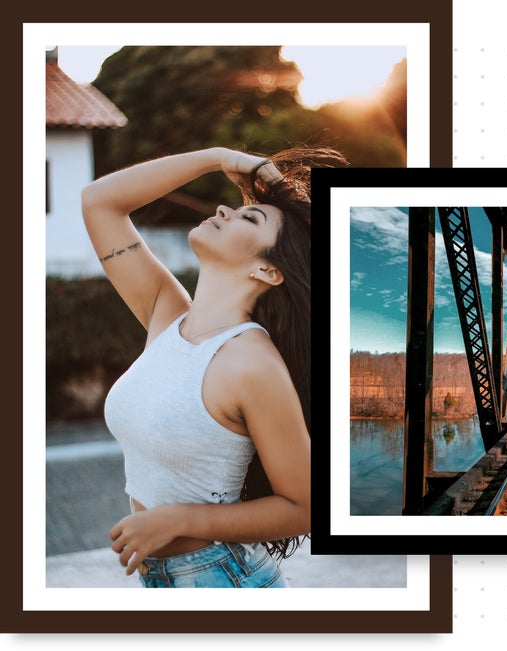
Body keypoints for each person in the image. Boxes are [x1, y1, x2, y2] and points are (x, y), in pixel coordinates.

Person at [81, 145, 345, 587]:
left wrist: (178, 520)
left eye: (251, 218)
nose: (225, 208)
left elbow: (307, 508)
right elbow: (99, 202)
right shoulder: (167, 315)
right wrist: (217, 156)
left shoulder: (251, 362)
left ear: (267, 270)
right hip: (170, 579)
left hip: (222, 580)